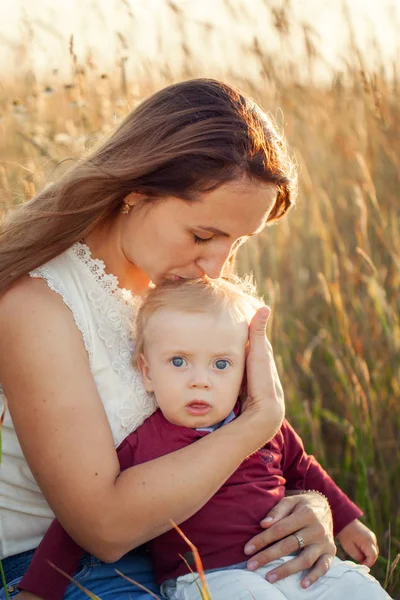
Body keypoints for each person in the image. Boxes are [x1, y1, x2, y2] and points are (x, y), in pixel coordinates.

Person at [0, 78, 377, 600]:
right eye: (202, 236)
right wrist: (257, 422)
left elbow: (264, 452)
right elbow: (102, 529)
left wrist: (308, 506)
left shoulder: (187, 298)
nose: (216, 265)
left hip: (211, 555)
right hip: (62, 574)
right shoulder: (39, 306)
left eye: (236, 241)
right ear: (135, 189)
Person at [17, 277, 390, 600]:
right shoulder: (142, 444)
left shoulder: (260, 424)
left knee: (358, 589)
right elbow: (77, 523)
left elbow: (303, 468)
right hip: (205, 577)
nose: (200, 380)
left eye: (221, 364)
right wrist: (38, 589)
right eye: (178, 361)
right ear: (147, 373)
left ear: (244, 372)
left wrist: (345, 521)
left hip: (286, 561)